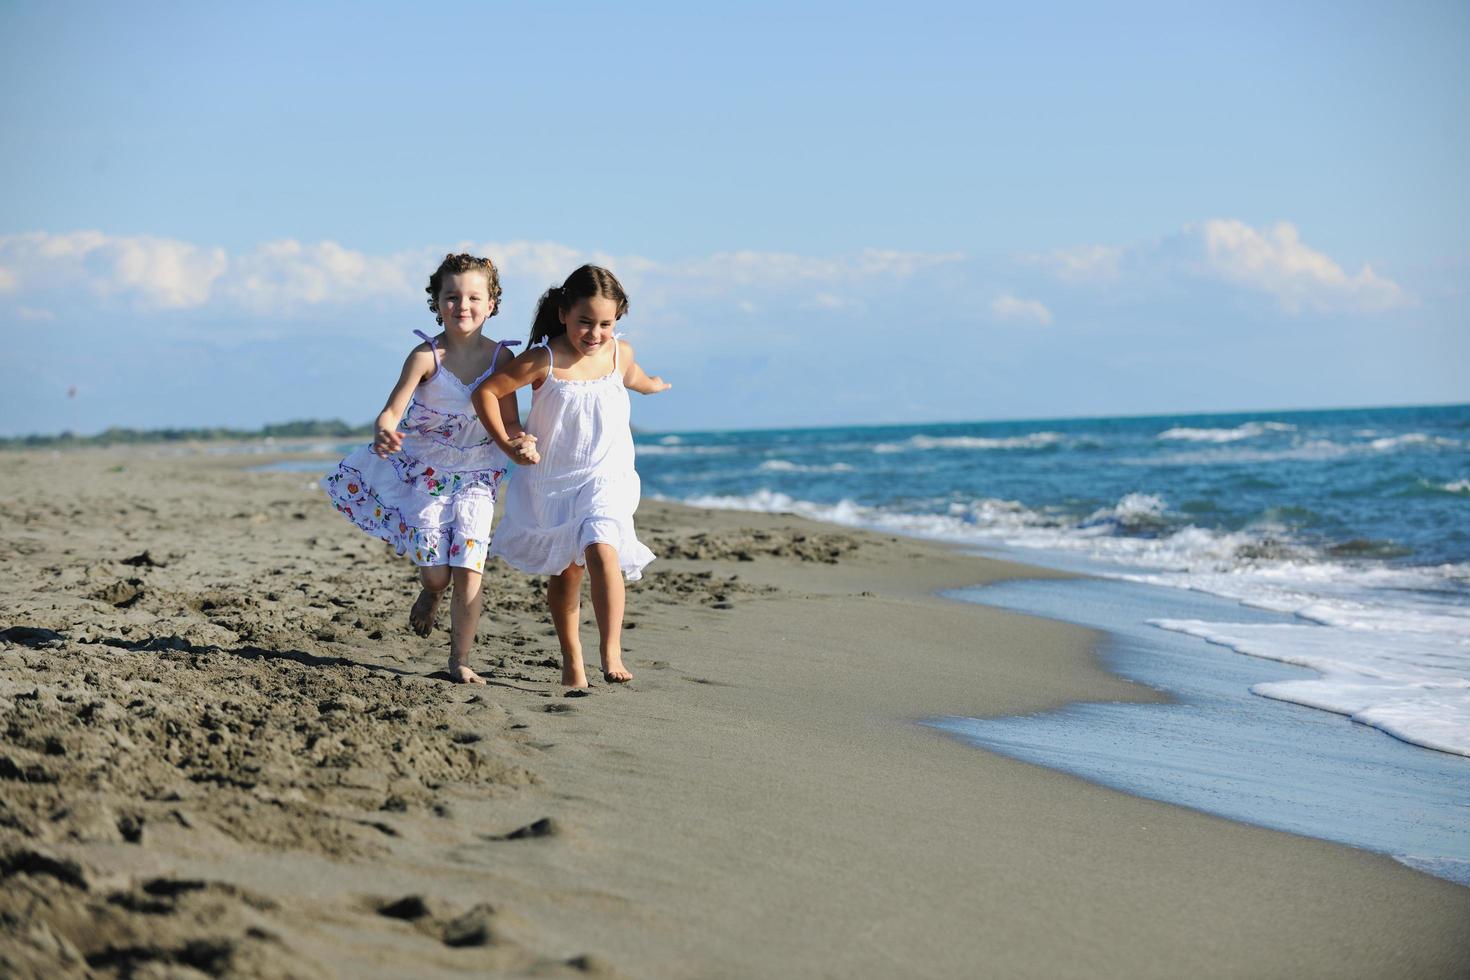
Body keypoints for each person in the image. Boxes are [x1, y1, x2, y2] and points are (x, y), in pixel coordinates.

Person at [324, 253, 538, 684]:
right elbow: (391, 412)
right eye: (452, 297)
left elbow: (510, 419)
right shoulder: (426, 356)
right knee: (437, 572)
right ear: (437, 303)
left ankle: (459, 659)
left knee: (469, 566)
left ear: (492, 303)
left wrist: (521, 440)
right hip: (427, 475)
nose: (463, 306)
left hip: (479, 475)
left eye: (475, 297)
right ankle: (430, 592)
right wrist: (385, 431)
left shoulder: (501, 359)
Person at [472, 265, 669, 688]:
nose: (595, 333)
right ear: (563, 313)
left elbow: (634, 379)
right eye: (585, 322)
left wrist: (652, 385)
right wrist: (509, 442)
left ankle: (611, 651)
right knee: (566, 573)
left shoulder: (619, 353)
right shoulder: (543, 359)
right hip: (554, 481)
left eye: (605, 324)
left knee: (602, 547)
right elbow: (486, 392)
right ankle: (572, 660)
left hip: (607, 476)